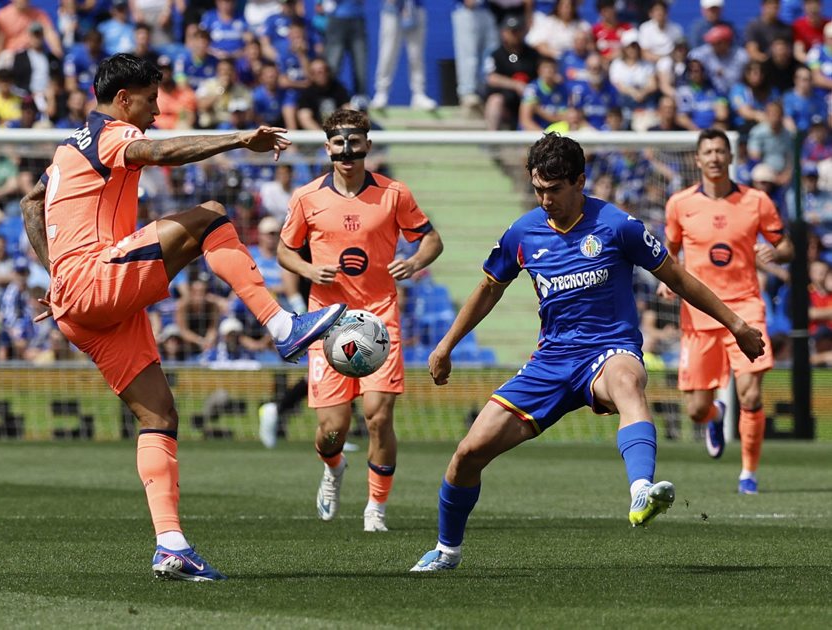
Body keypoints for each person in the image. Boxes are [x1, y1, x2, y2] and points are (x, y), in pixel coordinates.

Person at [20, 53, 347, 582]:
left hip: (75, 304)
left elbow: (31, 204)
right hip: (94, 281)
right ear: (123, 99)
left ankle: (171, 546)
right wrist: (239, 139)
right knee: (212, 216)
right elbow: (159, 152)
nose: (157, 110)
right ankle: (282, 326)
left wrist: (55, 276)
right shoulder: (112, 134)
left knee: (159, 417)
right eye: (151, 99)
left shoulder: (66, 149)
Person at [409, 132, 766, 572]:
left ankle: (641, 490)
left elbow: (677, 277)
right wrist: (446, 345)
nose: (545, 200)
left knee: (627, 383)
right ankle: (447, 551)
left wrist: (736, 324)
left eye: (554, 190)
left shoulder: (618, 226)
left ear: (580, 182)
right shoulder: (522, 232)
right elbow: (488, 288)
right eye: (538, 189)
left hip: (609, 350)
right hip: (550, 362)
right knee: (468, 454)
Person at [277, 108, 443, 533]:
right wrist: (309, 270)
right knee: (332, 430)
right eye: (338, 143)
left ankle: (376, 508)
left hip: (378, 318)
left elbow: (431, 239)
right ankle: (333, 467)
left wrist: (414, 261)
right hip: (327, 323)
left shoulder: (393, 193)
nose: (347, 151)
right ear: (327, 147)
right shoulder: (307, 198)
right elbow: (284, 251)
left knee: (378, 416)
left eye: (354, 143)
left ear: (367, 144)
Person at [659, 129, 794, 496]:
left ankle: (748, 474)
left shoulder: (756, 201)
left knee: (750, 395)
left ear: (731, 157)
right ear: (698, 159)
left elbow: (787, 246)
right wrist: (666, 281)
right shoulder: (680, 204)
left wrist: (776, 252)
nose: (715, 157)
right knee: (695, 410)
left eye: (721, 151)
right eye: (708, 152)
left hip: (746, 306)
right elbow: (669, 252)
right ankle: (716, 415)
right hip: (699, 312)